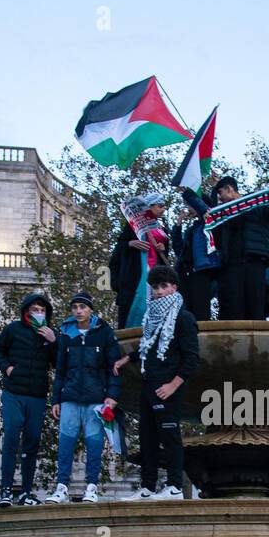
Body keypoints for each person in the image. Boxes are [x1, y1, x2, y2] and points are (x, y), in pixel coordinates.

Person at [115, 265, 200, 501]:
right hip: (149, 384)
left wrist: (173, 385)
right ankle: (148, 487)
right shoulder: (152, 318)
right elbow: (149, 346)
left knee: (170, 437)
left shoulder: (184, 318)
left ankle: (174, 487)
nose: (159, 291)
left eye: (164, 286)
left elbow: (192, 359)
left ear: (174, 288)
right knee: (147, 438)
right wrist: (128, 358)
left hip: (167, 388)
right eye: (155, 287)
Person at [46, 292, 122, 504]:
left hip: (96, 400)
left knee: (94, 445)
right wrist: (56, 399)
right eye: (75, 307)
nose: (78, 311)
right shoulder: (66, 333)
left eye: (82, 307)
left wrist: (112, 396)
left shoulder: (104, 332)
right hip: (70, 398)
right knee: (65, 444)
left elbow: (114, 368)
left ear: (90, 309)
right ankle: (61, 487)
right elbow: (60, 370)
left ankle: (92, 487)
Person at [0, 291, 57, 507]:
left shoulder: (50, 333)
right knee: (11, 437)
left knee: (32, 442)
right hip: (13, 393)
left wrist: (53, 342)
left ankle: (26, 492)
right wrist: (8, 368)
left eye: (42, 310)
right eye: (35, 309)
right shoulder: (13, 329)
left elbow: (58, 364)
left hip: (37, 396)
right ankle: (6, 491)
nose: (39, 313)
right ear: (26, 311)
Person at [211, 176, 269, 320]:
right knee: (234, 306)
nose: (220, 199)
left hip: (255, 260)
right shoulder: (224, 213)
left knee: (255, 304)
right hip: (232, 264)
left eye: (221, 193)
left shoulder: (256, 202)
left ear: (229, 189)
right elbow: (216, 238)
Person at [109, 194, 169, 328]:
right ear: (149, 207)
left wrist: (162, 248)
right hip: (135, 277)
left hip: (155, 276)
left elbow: (165, 257)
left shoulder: (162, 230)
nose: (163, 209)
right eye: (160, 206)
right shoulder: (133, 225)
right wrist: (131, 243)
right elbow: (118, 251)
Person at [177, 187, 221, 321]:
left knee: (201, 308)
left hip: (205, 269)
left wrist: (187, 192)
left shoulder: (209, 222)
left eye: (191, 205)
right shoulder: (193, 229)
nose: (189, 209)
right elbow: (179, 249)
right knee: (188, 308)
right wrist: (177, 226)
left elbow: (205, 209)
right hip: (190, 271)